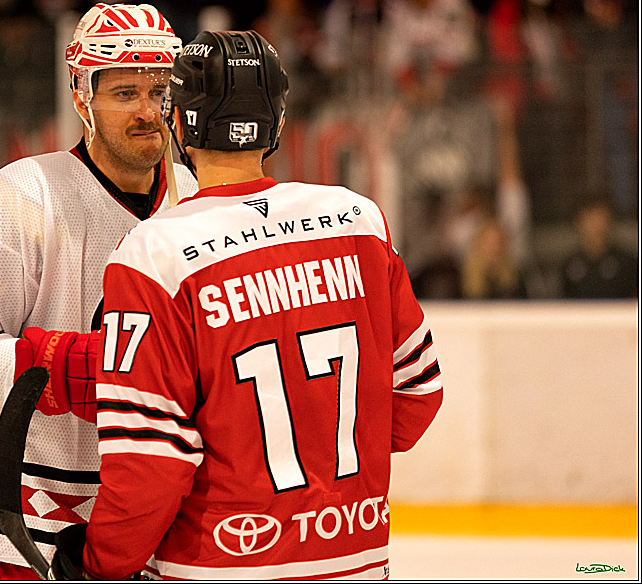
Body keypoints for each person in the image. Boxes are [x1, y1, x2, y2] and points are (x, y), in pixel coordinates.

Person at [51, 30, 444, 580]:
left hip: (217, 565)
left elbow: (151, 463)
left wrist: (100, 565)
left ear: (180, 123)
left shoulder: (155, 254)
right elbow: (418, 393)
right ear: (279, 124)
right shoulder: (358, 222)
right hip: (354, 559)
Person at [0, 3, 197, 579]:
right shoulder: (26, 193)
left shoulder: (195, 199)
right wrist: (79, 366)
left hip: (162, 532)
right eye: (125, 92)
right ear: (83, 98)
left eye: (161, 91)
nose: (149, 111)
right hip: (31, 539)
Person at [561, 197, 638, 299]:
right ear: (579, 221)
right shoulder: (569, 264)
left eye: (601, 218)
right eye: (590, 218)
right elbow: (562, 304)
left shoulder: (628, 262)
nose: (597, 225)